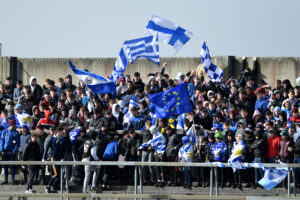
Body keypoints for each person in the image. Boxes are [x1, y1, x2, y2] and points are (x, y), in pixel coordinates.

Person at [43, 126, 67, 193]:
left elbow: (65, 150)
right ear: (58, 132)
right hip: (53, 158)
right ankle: (48, 186)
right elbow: (46, 148)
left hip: (60, 159)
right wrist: (43, 157)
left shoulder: (63, 139)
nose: (63, 132)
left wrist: (63, 158)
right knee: (56, 173)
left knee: (58, 175)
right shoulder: (52, 139)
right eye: (62, 131)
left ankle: (54, 188)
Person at [0, 120, 20, 185]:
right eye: (14, 124)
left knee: (12, 166)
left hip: (12, 152)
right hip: (5, 152)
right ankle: (5, 180)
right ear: (11, 125)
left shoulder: (16, 132)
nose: (15, 126)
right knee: (5, 166)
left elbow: (17, 143)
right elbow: (2, 142)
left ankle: (13, 180)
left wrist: (14, 150)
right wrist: (2, 150)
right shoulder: (4, 132)